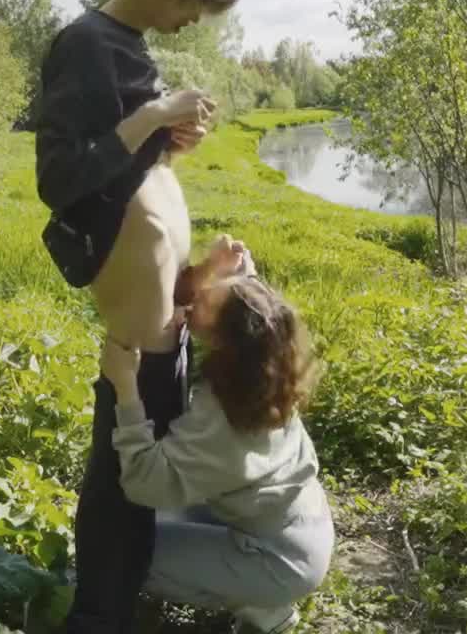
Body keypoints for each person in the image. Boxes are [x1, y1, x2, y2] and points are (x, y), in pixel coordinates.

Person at [31, 0, 244, 632]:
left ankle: (120, 602)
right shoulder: (85, 43)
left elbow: (121, 168)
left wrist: (172, 141)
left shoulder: (131, 47)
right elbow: (62, 179)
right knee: (120, 475)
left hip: (160, 302)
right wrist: (153, 113)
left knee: (142, 469)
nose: (192, 21)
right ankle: (98, 615)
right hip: (130, 302)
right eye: (193, 3)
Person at [100, 240, 334, 634]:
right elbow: (252, 307)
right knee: (155, 518)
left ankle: (264, 605)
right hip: (299, 525)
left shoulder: (226, 424)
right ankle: (244, 579)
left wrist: (125, 388)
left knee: (124, 554)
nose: (194, 301)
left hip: (280, 561)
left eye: (206, 303)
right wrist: (226, 267)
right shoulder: (263, 368)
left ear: (227, 340)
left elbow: (144, 482)